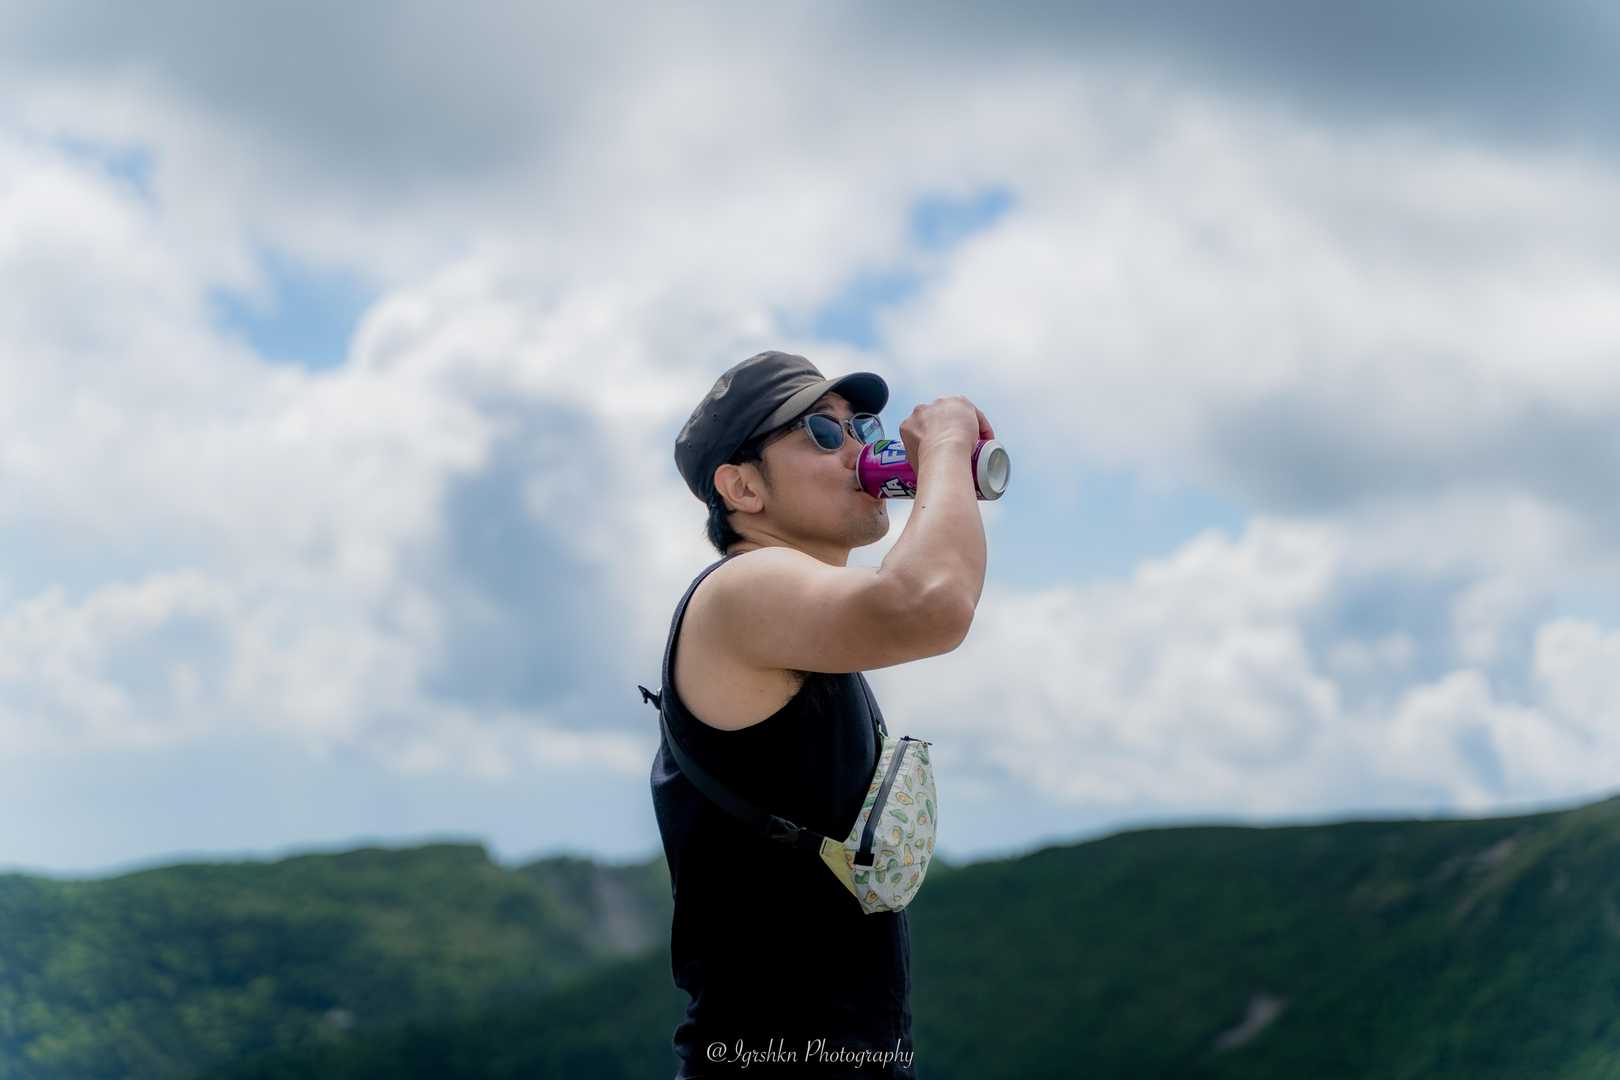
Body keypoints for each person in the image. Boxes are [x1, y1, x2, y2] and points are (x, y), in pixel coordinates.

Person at [648, 350, 992, 1078]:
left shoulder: (803, 625)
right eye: (823, 433)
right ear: (743, 487)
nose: (859, 447)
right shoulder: (743, 588)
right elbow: (930, 604)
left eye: (862, 427)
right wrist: (947, 448)